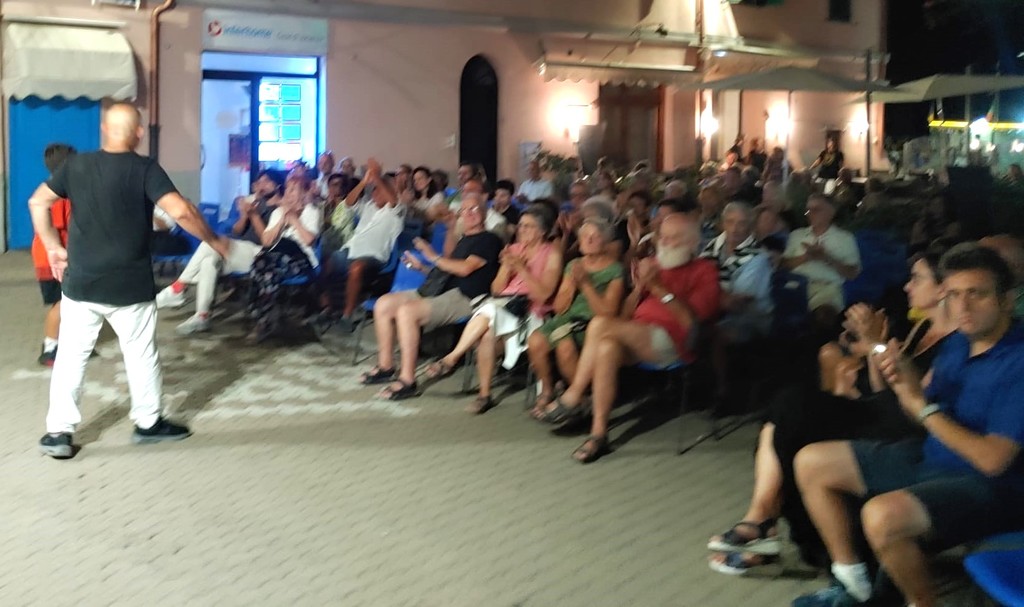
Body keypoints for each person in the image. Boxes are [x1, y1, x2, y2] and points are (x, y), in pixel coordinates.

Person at [792, 243, 1024, 607]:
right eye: (954, 294)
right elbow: (918, 411)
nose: (962, 306)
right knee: (811, 462)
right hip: (931, 459)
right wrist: (905, 380)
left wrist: (923, 408)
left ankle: (922, 602)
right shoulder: (958, 344)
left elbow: (994, 460)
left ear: (1006, 300)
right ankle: (853, 585)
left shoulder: (1018, 361)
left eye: (976, 294)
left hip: (993, 488)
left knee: (882, 516)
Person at [707, 250, 956, 576]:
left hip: (904, 427)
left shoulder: (954, 343)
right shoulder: (921, 327)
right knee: (786, 413)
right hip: (879, 409)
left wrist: (875, 345)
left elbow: (911, 402)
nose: (908, 286)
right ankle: (762, 521)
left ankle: (765, 525)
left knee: (791, 417)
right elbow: (881, 387)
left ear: (942, 289)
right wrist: (874, 347)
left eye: (917, 279)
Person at [30, 103, 227, 458]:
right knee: (140, 355)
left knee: (71, 357)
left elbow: (37, 201)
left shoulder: (76, 165)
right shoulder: (145, 168)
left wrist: (53, 246)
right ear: (138, 133)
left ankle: (59, 433)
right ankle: (148, 424)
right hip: (130, 287)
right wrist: (214, 240)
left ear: (104, 129)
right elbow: (181, 211)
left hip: (82, 284)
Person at [537, 213, 721, 463]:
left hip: (674, 342)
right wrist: (638, 288)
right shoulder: (654, 264)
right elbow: (623, 316)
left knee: (599, 324)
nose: (665, 242)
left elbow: (692, 324)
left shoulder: (704, 270)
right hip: (636, 334)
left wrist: (658, 288)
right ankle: (598, 434)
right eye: (663, 237)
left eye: (673, 238)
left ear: (692, 242)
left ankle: (574, 395)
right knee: (606, 347)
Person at [359, 193, 503, 401]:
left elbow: (465, 269)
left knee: (407, 312)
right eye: (465, 210)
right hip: (441, 290)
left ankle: (408, 381)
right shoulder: (464, 239)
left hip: (466, 297)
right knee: (384, 304)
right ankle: (386, 366)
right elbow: (447, 270)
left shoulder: (489, 240)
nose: (469, 214)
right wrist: (422, 267)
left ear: (484, 212)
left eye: (474, 209)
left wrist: (431, 255)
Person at [424, 205, 562, 413]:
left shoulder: (552, 254)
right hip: (503, 308)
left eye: (528, 226)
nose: (522, 230)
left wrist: (521, 268)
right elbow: (496, 290)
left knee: (488, 312)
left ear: (542, 231)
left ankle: (452, 359)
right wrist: (507, 267)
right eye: (521, 225)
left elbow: (544, 294)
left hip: (531, 311)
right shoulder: (513, 249)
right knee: (487, 331)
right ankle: (484, 395)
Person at [156, 170, 282, 335]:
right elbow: (237, 231)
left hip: (260, 255)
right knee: (209, 261)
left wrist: (253, 215)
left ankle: (179, 287)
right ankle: (202, 315)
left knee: (211, 241)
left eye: (267, 182)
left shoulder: (279, 209)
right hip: (238, 249)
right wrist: (245, 215)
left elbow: (267, 240)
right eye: (260, 182)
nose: (262, 185)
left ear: (277, 185)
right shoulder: (257, 203)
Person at [527, 217, 626, 418]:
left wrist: (586, 285)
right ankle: (548, 391)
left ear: (605, 241)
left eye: (594, 237)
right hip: (566, 320)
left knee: (565, 347)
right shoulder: (573, 265)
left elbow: (608, 313)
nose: (588, 240)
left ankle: (580, 397)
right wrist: (571, 285)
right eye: (584, 236)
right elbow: (559, 308)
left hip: (592, 324)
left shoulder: (615, 270)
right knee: (535, 341)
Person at [314, 159, 403, 331]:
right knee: (325, 262)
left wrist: (376, 175)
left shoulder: (396, 211)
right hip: (351, 250)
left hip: (374, 256)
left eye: (380, 189)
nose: (376, 192)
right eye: (375, 189)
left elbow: (392, 199)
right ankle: (327, 308)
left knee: (356, 267)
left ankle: (347, 316)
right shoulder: (367, 206)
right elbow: (348, 203)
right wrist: (364, 182)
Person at [246, 172, 323, 343]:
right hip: (275, 258)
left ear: (303, 193)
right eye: (287, 189)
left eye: (294, 189)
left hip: (301, 260)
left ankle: (263, 321)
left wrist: (294, 220)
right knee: (259, 264)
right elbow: (266, 241)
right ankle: (264, 318)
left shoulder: (311, 211)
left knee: (266, 268)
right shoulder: (278, 212)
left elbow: (310, 240)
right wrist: (282, 220)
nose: (288, 193)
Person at [782, 194, 860, 325]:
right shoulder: (797, 235)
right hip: (797, 285)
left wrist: (826, 258)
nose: (810, 214)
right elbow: (783, 265)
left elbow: (852, 273)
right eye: (808, 210)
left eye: (816, 210)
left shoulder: (845, 238)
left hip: (827, 288)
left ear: (831, 212)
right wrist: (806, 257)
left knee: (824, 315)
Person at [31, 143, 76, 367]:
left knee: (70, 302)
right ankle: (49, 348)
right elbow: (55, 228)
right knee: (61, 303)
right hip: (52, 259)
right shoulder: (57, 195)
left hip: (53, 256)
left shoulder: (57, 190)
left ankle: (66, 344)